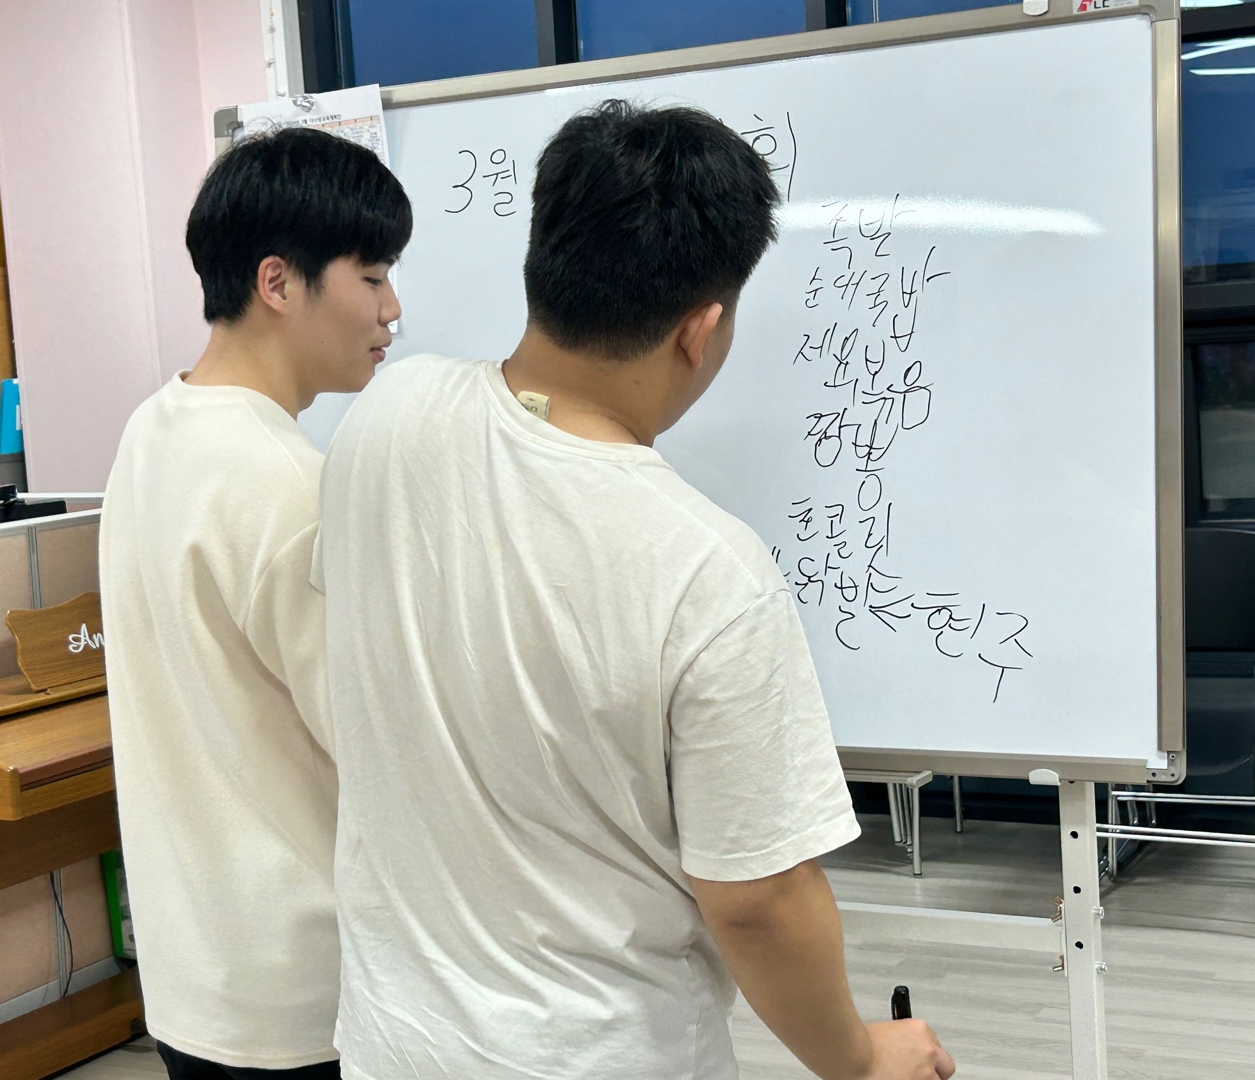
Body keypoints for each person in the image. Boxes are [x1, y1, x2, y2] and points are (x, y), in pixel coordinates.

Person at [315, 100, 956, 1080]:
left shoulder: (386, 415)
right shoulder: (707, 571)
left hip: (393, 1045)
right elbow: (758, 899)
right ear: (700, 330)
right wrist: (860, 1060)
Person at [100, 126, 409, 1079]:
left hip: (193, 976)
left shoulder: (153, 427)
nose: (392, 308)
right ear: (277, 282)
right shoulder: (288, 486)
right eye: (372, 275)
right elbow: (382, 747)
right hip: (304, 992)